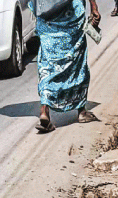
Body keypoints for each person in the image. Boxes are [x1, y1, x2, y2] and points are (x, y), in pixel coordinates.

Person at [35, 0, 101, 133]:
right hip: (72, 18)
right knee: (76, 62)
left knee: (48, 65)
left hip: (47, 19)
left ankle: (45, 110)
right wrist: (93, 6)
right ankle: (81, 111)